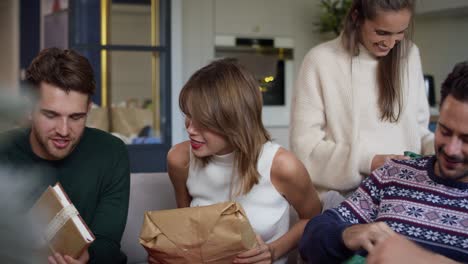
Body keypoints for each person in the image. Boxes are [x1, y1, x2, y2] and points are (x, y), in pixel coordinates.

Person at [298, 61, 468, 263]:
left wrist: (418, 258)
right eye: (444, 131)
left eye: (466, 139)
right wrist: (347, 234)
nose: (451, 149)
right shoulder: (394, 173)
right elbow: (312, 239)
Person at [163, 59, 322, 264]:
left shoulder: (282, 166)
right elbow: (186, 230)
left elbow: (313, 218)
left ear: (234, 121)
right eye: (188, 116)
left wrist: (273, 251)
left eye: (202, 122)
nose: (190, 129)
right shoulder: (179, 159)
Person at [0, 48, 130, 264]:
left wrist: (88, 257)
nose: (63, 130)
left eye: (76, 117)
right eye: (51, 115)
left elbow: (108, 244)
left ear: (89, 108)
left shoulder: (111, 152)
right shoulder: (4, 151)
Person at [290, 0, 434, 194]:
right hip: (345, 198)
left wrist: (440, 151)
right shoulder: (320, 60)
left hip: (406, 194)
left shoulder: (410, 55)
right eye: (381, 32)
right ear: (357, 18)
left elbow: (418, 131)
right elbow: (306, 149)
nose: (391, 44)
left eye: (400, 32)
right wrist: (369, 161)